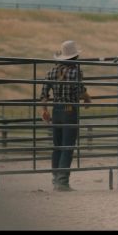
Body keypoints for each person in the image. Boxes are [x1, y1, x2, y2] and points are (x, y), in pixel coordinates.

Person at [40, 40, 92, 192]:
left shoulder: (51, 72)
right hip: (70, 110)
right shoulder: (76, 72)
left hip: (56, 110)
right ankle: (62, 182)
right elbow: (80, 90)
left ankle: (56, 178)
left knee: (57, 146)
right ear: (75, 57)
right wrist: (87, 98)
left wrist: (44, 109)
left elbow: (43, 94)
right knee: (67, 146)